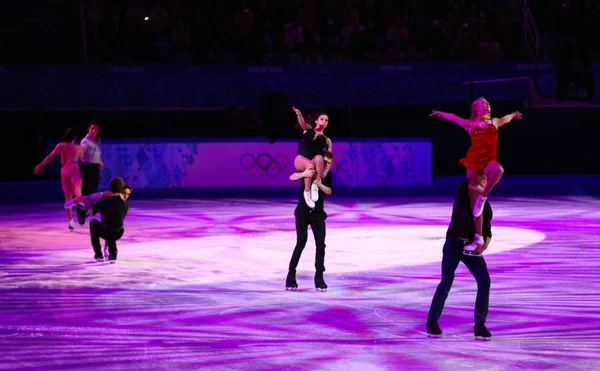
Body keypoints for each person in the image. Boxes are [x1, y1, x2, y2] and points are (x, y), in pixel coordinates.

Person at [429, 97, 521, 252]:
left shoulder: (495, 122)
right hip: (473, 163)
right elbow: (453, 118)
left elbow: (507, 118)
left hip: (488, 162)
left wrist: (513, 113)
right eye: (483, 103)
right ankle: (478, 238)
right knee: (474, 204)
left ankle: (483, 196)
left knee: (498, 170)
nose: (487, 105)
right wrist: (440, 113)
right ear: (476, 109)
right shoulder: (470, 124)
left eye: (488, 103)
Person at [426, 177, 493, 341]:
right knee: (446, 282)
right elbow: (471, 184)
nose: (482, 181)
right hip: (453, 246)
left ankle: (479, 324)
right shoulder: (464, 190)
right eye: (481, 178)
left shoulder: (487, 208)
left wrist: (484, 245)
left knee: (484, 281)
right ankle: (432, 321)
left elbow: (488, 232)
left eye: (485, 180)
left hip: (470, 250)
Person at [286, 150, 334, 292]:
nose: (326, 165)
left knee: (321, 244)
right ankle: (291, 275)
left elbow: (329, 191)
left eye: (329, 164)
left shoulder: (327, 176)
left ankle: (319, 277)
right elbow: (292, 177)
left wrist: (320, 184)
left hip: (318, 214)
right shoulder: (311, 168)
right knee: (301, 243)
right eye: (324, 162)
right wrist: (303, 174)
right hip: (303, 212)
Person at [34, 128, 83, 231]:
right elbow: (85, 159)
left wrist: (40, 165)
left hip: (65, 170)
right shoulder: (78, 147)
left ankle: (71, 221)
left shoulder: (61, 145)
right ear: (74, 137)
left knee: (67, 197)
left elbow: (50, 157)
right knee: (77, 188)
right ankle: (79, 200)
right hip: (74, 169)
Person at [291, 107, 332, 209]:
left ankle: (315, 185)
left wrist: (326, 171)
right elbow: (302, 124)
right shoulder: (308, 129)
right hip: (301, 159)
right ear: (316, 121)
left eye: (326, 120)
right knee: (309, 166)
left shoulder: (327, 140)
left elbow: (329, 157)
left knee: (319, 157)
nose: (324, 121)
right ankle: (307, 192)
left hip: (314, 162)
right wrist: (299, 115)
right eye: (322, 119)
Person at [90, 177, 128, 263]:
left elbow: (92, 212)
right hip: (119, 232)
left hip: (107, 231)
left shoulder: (103, 199)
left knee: (93, 223)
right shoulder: (124, 203)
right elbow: (120, 219)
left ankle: (98, 254)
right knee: (113, 224)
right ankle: (113, 253)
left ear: (110, 187)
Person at [77, 121, 104, 226]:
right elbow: (81, 153)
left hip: (94, 167)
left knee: (93, 191)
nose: (93, 131)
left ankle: (89, 210)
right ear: (88, 129)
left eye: (96, 129)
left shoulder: (98, 140)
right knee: (84, 192)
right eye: (92, 128)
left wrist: (100, 162)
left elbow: (97, 153)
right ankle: (81, 217)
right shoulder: (85, 141)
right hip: (86, 167)